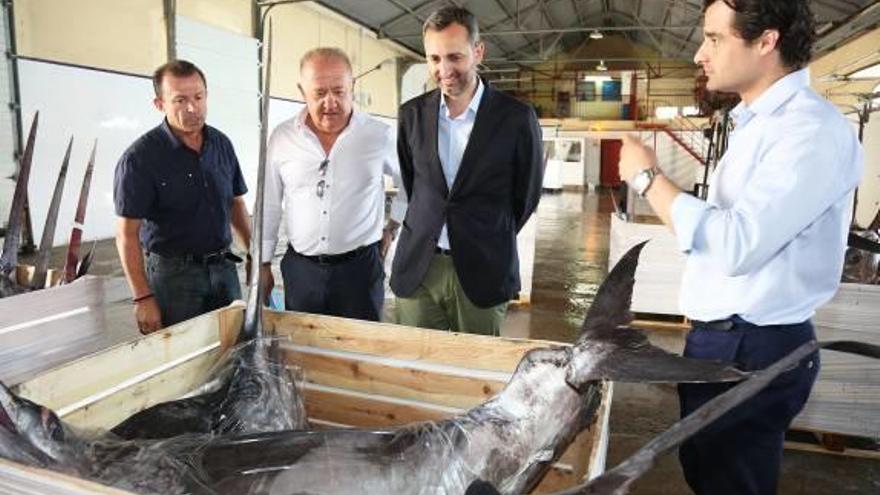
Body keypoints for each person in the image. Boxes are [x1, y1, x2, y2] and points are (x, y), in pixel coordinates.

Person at [617, 1, 863, 494]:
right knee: (710, 471)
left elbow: (736, 245)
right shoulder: (757, 123)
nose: (699, 55)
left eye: (714, 38)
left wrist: (648, 178)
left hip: (753, 346)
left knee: (731, 480)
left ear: (766, 42)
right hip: (727, 341)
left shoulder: (807, 130)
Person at [391, 6, 544, 336]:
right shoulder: (411, 115)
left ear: (478, 52)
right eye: (434, 59)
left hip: (482, 269)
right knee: (416, 370)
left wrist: (485, 232)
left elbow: (526, 197)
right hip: (420, 268)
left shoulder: (516, 118)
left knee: (474, 377)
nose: (444, 70)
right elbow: (413, 184)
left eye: (454, 57)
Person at [260, 47, 406, 321]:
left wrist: (392, 229)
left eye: (339, 91)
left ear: (353, 87)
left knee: (360, 353)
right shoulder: (282, 138)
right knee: (302, 352)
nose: (330, 103)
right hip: (302, 272)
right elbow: (269, 203)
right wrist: (263, 263)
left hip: (360, 271)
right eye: (319, 93)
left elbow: (411, 185)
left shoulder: (378, 136)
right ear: (302, 91)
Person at [114, 60, 251, 333]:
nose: (192, 108)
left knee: (234, 344)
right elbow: (127, 235)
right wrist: (142, 296)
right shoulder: (140, 159)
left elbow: (236, 203)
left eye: (198, 97)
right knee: (184, 352)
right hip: (174, 277)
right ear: (159, 104)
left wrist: (254, 254)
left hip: (224, 267)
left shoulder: (221, 144)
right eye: (180, 100)